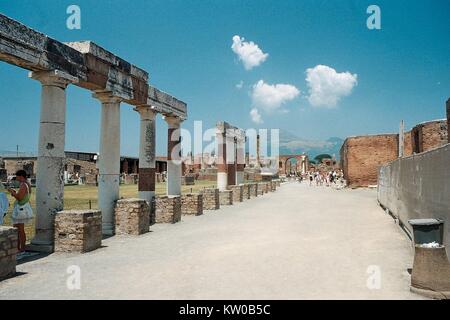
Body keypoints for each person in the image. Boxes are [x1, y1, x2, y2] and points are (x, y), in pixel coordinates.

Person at [8, 170, 33, 254]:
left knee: (19, 230)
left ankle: (21, 248)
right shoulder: (27, 184)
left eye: (17, 176)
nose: (16, 178)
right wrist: (15, 194)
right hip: (23, 208)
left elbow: (19, 198)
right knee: (17, 229)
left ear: (21, 176)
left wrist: (12, 192)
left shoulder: (23, 185)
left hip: (21, 209)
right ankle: (18, 248)